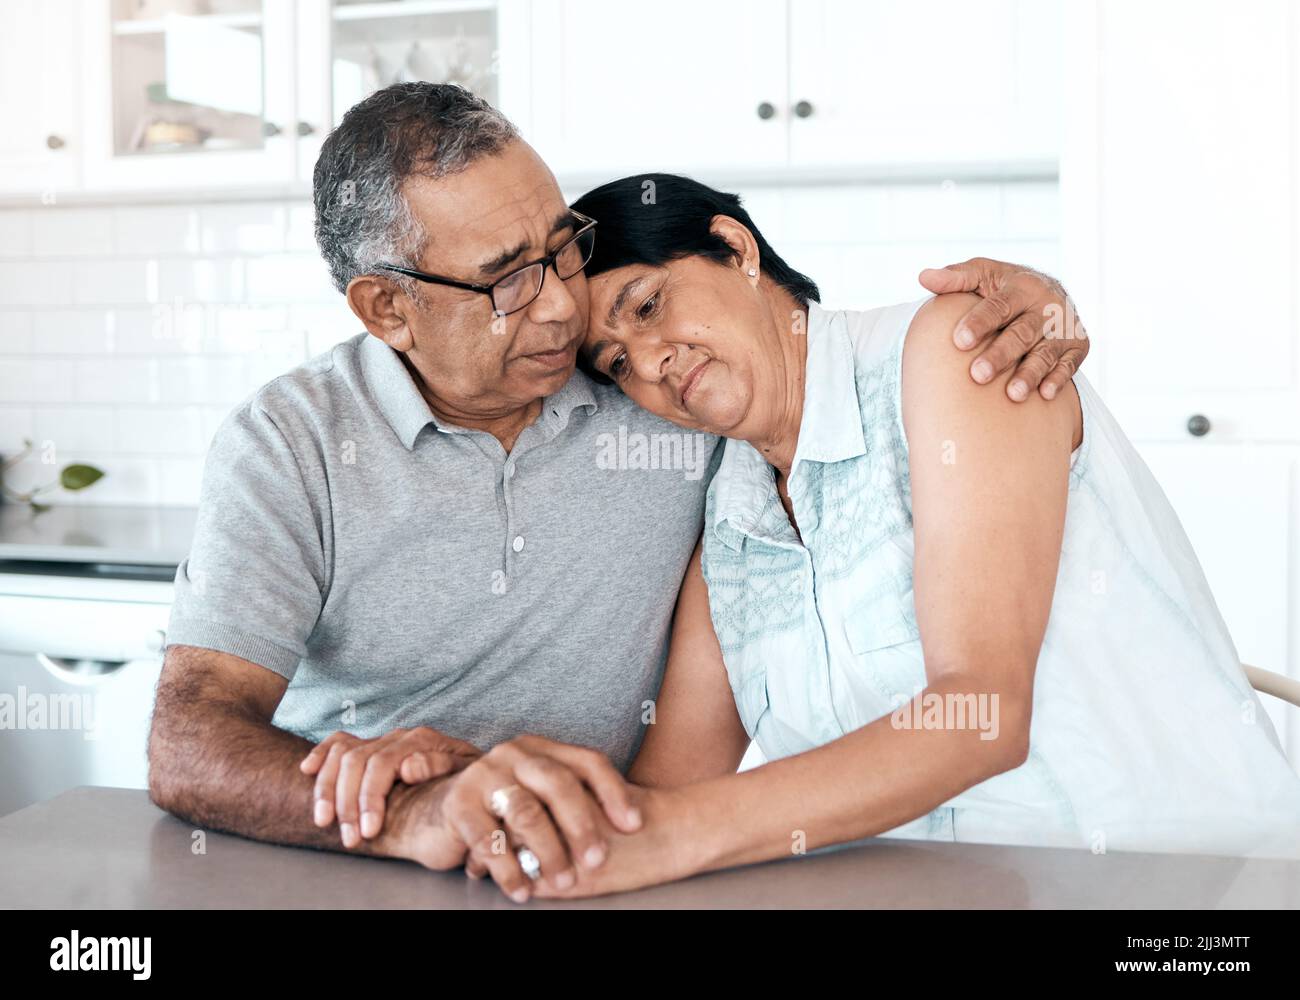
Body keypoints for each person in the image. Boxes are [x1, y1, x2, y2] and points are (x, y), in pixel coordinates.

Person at [148, 83, 1090, 905]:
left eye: (561, 248)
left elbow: (790, 354)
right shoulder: (291, 441)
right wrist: (419, 809)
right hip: (351, 872)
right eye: (505, 281)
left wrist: (1031, 308)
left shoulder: (661, 408)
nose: (563, 306)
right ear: (388, 309)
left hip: (581, 869)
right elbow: (187, 744)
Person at [449, 172, 1298, 898]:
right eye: (617, 364)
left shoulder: (954, 348)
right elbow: (670, 783)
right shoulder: (731, 510)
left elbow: (981, 714)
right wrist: (494, 804)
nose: (652, 359)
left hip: (1184, 887)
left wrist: (671, 834)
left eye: (648, 304)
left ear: (736, 249)